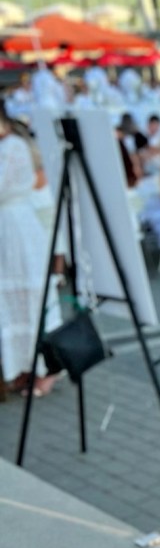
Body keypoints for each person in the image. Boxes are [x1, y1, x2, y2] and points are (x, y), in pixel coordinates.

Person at [0, 111, 60, 397]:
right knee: (12, 303)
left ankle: (47, 368)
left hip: (16, 227)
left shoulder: (12, 147)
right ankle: (22, 369)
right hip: (8, 227)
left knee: (32, 297)